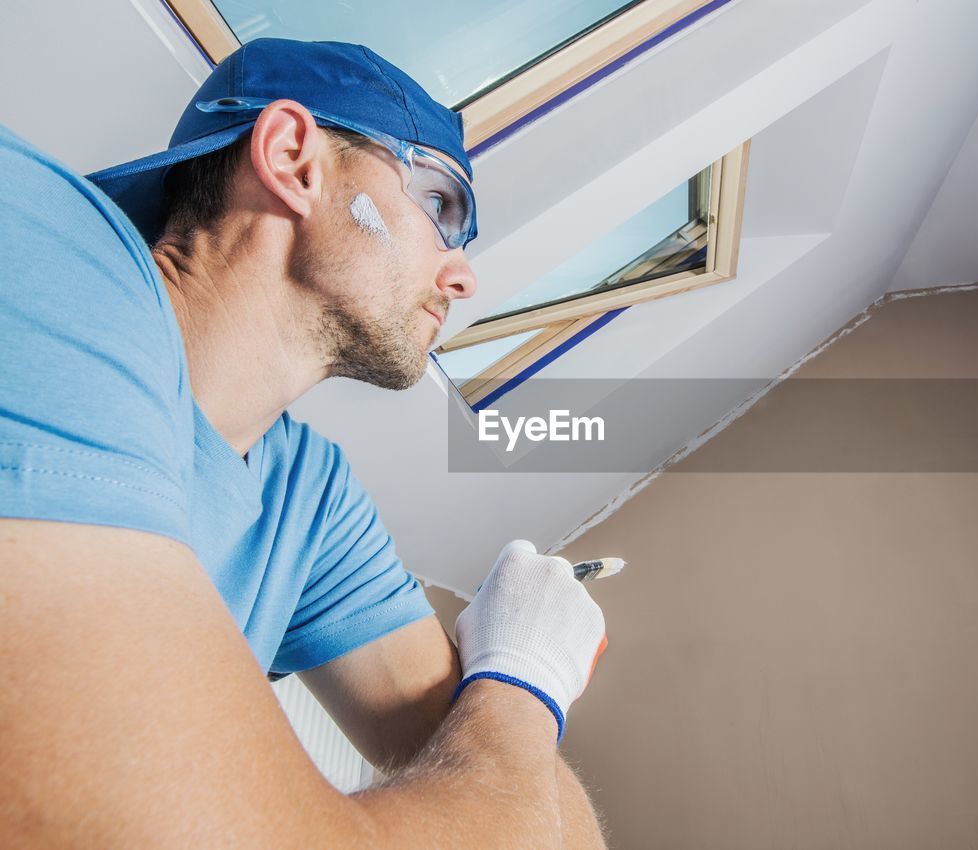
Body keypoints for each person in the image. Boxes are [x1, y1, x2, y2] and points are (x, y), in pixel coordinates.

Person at [0, 38, 609, 848]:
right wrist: (527, 680)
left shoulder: (306, 499)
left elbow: (543, 825)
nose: (464, 279)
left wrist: (504, 698)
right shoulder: (40, 248)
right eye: (443, 206)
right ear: (293, 157)